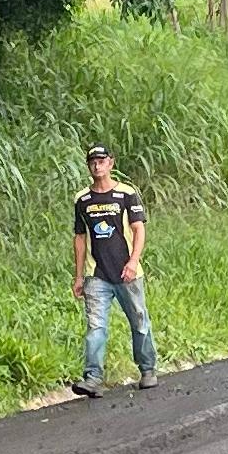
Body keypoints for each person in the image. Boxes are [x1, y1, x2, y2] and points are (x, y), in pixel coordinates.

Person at [68, 143, 156, 396]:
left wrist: (133, 262)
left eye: (101, 160)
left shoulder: (127, 194)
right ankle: (92, 378)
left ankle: (148, 369)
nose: (97, 165)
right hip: (97, 275)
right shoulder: (82, 199)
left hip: (127, 273)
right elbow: (79, 237)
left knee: (139, 322)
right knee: (95, 327)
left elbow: (139, 229)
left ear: (111, 163)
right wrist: (78, 276)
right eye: (93, 161)